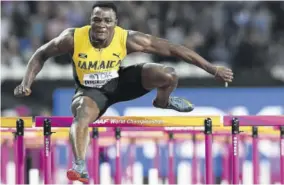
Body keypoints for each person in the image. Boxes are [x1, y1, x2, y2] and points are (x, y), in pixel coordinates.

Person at [14, 2, 233, 183]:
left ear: (115, 24)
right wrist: (27, 81)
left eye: (107, 21)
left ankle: (163, 101)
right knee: (81, 114)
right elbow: (41, 54)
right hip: (90, 93)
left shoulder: (127, 38)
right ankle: (79, 166)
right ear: (91, 21)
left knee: (168, 74)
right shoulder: (73, 38)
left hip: (120, 83)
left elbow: (174, 49)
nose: (101, 25)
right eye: (96, 20)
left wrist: (213, 69)